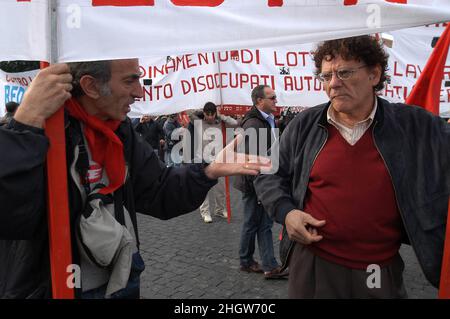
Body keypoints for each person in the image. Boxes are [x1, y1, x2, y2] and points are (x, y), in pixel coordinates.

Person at [0, 59, 269, 299]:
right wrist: (23, 127)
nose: (140, 91)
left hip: (121, 279)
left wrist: (208, 171)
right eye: (130, 80)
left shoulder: (121, 132)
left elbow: (160, 191)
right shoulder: (39, 129)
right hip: (53, 287)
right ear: (91, 86)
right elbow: (12, 216)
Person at [254, 36, 450, 298]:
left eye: (344, 72)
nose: (333, 84)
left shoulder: (413, 126)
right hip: (314, 264)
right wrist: (286, 212)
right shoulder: (305, 124)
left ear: (374, 74)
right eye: (326, 76)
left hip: (378, 268)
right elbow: (269, 172)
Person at [234, 85, 288, 279]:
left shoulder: (267, 120)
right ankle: (268, 265)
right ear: (259, 101)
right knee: (259, 223)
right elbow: (251, 159)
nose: (276, 100)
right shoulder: (254, 124)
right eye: (272, 97)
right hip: (256, 182)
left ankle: (248, 260)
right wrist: (261, 188)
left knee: (256, 222)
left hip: (261, 180)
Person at [190, 102, 238, 223]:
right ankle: (205, 212)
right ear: (204, 113)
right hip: (202, 160)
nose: (210, 117)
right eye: (207, 114)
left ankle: (220, 210)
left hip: (218, 159)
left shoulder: (220, 123)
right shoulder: (199, 122)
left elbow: (235, 123)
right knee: (204, 188)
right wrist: (201, 111)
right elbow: (189, 112)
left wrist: (221, 116)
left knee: (220, 187)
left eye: (212, 114)